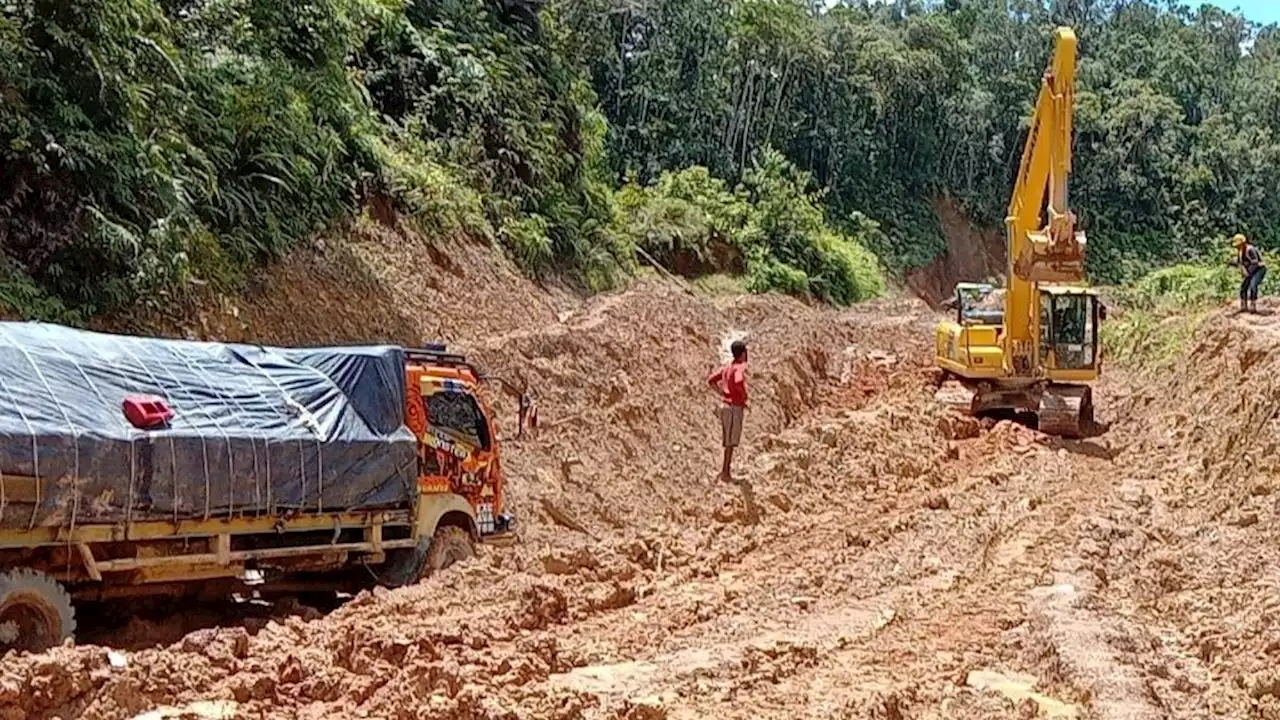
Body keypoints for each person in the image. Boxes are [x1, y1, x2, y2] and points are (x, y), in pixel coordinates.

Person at [707, 339, 748, 483]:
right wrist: (743, 397)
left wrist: (722, 394)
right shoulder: (740, 367)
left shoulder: (726, 368)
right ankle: (726, 473)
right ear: (743, 354)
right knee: (731, 442)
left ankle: (725, 471)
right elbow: (738, 381)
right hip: (734, 407)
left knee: (728, 441)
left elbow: (711, 380)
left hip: (725, 406)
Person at [1232, 233, 1267, 314]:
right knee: (1243, 287)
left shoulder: (1250, 250)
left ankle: (1253, 306)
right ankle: (1243, 306)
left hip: (1259, 269)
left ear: (1243, 243)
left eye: (1238, 245)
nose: (1237, 247)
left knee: (1253, 285)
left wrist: (1248, 273)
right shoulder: (1240, 252)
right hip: (1250, 271)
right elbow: (1239, 263)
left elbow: (1255, 262)